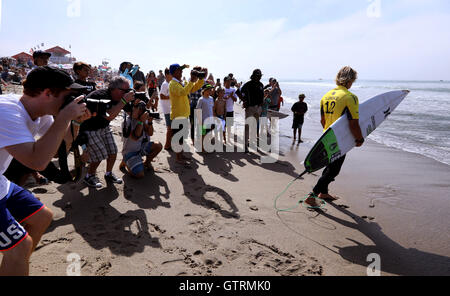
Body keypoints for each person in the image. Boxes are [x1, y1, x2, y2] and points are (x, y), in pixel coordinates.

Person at [0, 66, 90, 275]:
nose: (71, 101)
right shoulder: (7, 112)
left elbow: (58, 150)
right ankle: (16, 259)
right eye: (68, 96)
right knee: (20, 245)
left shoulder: (40, 113)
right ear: (48, 93)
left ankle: (13, 265)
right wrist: (64, 118)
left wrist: (73, 121)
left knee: (42, 218)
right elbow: (38, 162)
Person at [305, 66, 364, 208]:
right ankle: (312, 196)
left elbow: (323, 121)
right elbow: (353, 122)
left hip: (327, 136)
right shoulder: (350, 97)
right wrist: (359, 138)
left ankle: (323, 193)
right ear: (350, 80)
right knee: (334, 170)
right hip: (341, 139)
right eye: (353, 81)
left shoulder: (326, 96)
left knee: (330, 165)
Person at [81, 76, 136, 188]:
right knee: (99, 155)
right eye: (125, 90)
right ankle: (89, 176)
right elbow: (109, 116)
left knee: (113, 151)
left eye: (128, 90)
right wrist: (124, 100)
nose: (127, 93)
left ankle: (108, 174)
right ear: (114, 89)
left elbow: (133, 114)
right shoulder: (99, 96)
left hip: (104, 127)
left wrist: (139, 102)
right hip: (90, 128)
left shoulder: (120, 98)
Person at [169, 64, 204, 164]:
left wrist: (200, 79)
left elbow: (193, 88)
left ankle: (181, 155)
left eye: (181, 70)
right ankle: (178, 158)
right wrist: (191, 81)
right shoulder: (172, 84)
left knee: (183, 136)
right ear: (174, 73)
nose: (181, 72)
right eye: (179, 70)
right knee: (178, 137)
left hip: (184, 114)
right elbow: (183, 92)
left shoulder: (182, 82)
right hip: (177, 114)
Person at [121, 102, 162, 178]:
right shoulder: (127, 122)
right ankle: (126, 161)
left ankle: (146, 163)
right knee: (140, 175)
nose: (141, 111)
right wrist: (140, 121)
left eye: (142, 109)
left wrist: (149, 122)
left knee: (158, 145)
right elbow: (135, 137)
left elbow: (150, 133)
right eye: (138, 109)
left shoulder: (142, 118)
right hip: (130, 152)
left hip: (141, 147)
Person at [241, 69, 264, 153]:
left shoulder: (261, 85)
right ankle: (245, 146)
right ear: (253, 75)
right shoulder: (248, 84)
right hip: (250, 108)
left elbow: (262, 96)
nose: (259, 77)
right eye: (258, 75)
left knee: (254, 127)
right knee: (247, 127)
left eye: (260, 76)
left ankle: (252, 143)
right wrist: (244, 101)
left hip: (258, 108)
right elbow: (239, 92)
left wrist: (261, 105)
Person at [196, 84, 216, 152]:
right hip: (203, 120)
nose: (209, 91)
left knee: (209, 134)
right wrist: (199, 121)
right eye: (208, 90)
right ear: (204, 91)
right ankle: (202, 148)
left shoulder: (211, 98)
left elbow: (212, 109)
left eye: (210, 90)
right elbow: (198, 110)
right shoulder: (201, 99)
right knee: (203, 134)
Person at [159, 68, 173, 151]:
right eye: (171, 74)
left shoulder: (170, 83)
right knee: (169, 128)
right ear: (167, 75)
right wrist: (171, 97)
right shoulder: (165, 84)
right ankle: (167, 145)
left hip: (170, 109)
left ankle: (169, 144)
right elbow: (161, 96)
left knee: (171, 128)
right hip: (167, 109)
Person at [223, 76, 238, 143]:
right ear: (224, 82)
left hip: (230, 110)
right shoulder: (222, 90)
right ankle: (224, 138)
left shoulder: (233, 90)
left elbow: (235, 100)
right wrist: (229, 96)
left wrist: (231, 95)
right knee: (223, 125)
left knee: (229, 126)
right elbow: (221, 99)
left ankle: (228, 138)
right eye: (227, 81)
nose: (229, 82)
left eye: (230, 81)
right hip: (223, 111)